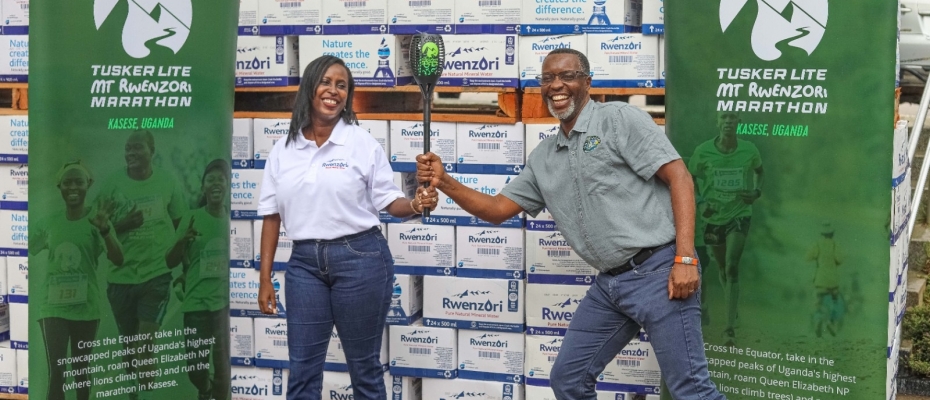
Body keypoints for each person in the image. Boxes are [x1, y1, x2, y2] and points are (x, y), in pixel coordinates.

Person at [416, 48, 724, 400]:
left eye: (567, 76)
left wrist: (685, 257)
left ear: (587, 82)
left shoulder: (619, 119)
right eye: (548, 79)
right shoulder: (544, 157)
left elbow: (680, 178)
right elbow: (498, 208)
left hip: (659, 274)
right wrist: (444, 180)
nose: (556, 85)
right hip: (611, 285)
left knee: (691, 389)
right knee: (569, 380)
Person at [256, 55, 439, 400]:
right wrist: (265, 278)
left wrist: (415, 203)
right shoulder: (283, 149)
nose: (333, 91)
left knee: (364, 368)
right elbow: (271, 216)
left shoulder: (362, 143)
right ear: (309, 87)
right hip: (304, 265)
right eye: (326, 82)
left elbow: (390, 202)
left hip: (360, 259)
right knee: (302, 372)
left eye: (342, 85)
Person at [98, 129, 188, 400]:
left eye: (137, 148)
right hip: (120, 278)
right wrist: (124, 224)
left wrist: (184, 269)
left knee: (145, 343)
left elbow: (180, 227)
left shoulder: (167, 182)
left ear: (152, 152)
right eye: (128, 148)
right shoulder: (112, 185)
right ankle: (133, 394)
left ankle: (148, 394)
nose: (131, 153)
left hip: (156, 274)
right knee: (128, 346)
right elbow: (98, 227)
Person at [31, 161, 124, 400]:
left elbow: (119, 258)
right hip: (52, 307)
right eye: (67, 182)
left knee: (81, 370)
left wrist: (105, 230)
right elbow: (28, 248)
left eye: (78, 182)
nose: (73, 187)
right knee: (57, 371)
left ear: (88, 186)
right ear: (59, 186)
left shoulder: (98, 221)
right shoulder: (48, 223)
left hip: (86, 308)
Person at [688, 111, 763, 345]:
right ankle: (732, 305)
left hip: (740, 213)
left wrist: (756, 192)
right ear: (717, 121)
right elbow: (689, 178)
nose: (728, 122)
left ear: (739, 122)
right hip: (714, 217)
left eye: (733, 118)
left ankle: (729, 328)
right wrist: (701, 202)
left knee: (731, 266)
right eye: (724, 117)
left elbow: (760, 171)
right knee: (721, 267)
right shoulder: (703, 151)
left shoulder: (749, 149)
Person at [166, 159, 231, 400]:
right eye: (211, 179)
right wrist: (182, 240)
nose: (216, 184)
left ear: (227, 185)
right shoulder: (191, 218)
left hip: (224, 306)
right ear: (203, 187)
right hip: (196, 306)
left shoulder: (233, 220)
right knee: (195, 368)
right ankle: (204, 389)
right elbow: (170, 261)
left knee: (224, 367)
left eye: (221, 179)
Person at [806, 221, 845, 337]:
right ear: (832, 234)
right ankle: (831, 322)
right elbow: (840, 260)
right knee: (835, 302)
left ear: (821, 233)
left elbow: (808, 257)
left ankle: (819, 319)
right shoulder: (835, 245)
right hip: (833, 281)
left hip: (820, 281)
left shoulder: (817, 245)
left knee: (817, 302)